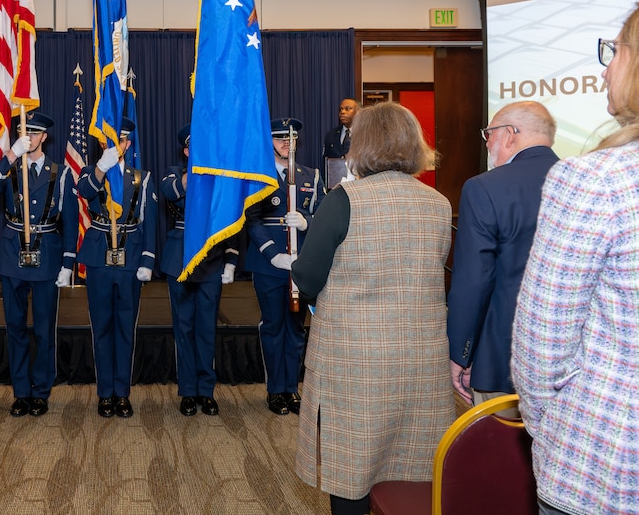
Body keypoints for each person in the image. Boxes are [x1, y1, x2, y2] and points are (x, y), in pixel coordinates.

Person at [291, 101, 454, 515]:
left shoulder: (343, 200)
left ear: (360, 145)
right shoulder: (438, 203)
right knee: (412, 470)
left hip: (354, 360)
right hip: (420, 357)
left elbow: (308, 278)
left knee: (352, 470)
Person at [511, 7, 639, 515]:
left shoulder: (595, 181)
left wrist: (556, 429)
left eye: (614, 52)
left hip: (606, 464)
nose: (606, 69)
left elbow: (542, 345)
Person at [447, 101, 558, 413]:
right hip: (572, 364)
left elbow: (474, 280)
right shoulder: (585, 183)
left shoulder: (484, 188)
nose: (487, 143)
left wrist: (461, 352)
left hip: (502, 358)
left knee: (501, 458)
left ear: (511, 135)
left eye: (489, 134)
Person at [0, 111, 77, 418]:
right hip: (12, 258)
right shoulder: (9, 167)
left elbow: (71, 221)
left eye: (34, 133)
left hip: (46, 254)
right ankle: (21, 392)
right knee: (16, 328)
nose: (29, 137)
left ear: (45, 137)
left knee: (44, 329)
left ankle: (41, 391)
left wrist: (68, 262)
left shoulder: (59, 172)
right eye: (24, 132)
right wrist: (10, 154)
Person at [243, 117, 324, 415]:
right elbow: (250, 220)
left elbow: (324, 215)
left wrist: (308, 222)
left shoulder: (310, 176)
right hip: (269, 265)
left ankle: (292, 388)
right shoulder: (258, 177)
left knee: (296, 328)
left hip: (301, 263)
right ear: (270, 142)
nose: (286, 144)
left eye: (291, 140)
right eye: (280, 139)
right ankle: (275, 389)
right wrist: (272, 253)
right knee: (274, 327)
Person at [77, 118, 156, 418]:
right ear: (101, 142)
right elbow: (85, 191)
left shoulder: (141, 178)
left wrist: (148, 259)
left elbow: (148, 222)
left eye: (121, 140)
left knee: (125, 328)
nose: (115, 144)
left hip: (131, 257)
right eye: (109, 139)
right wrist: (101, 166)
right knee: (101, 327)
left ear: (129, 143)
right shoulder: (91, 172)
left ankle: (121, 392)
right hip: (99, 258)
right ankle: (104, 393)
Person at [160, 123, 238, 417]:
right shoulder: (172, 172)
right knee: (184, 328)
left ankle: (206, 391)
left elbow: (232, 221)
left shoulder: (221, 178)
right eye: (195, 147)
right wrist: (198, 168)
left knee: (207, 329)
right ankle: (187, 391)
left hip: (211, 260)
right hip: (179, 260)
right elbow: (172, 191)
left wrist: (231, 259)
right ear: (186, 150)